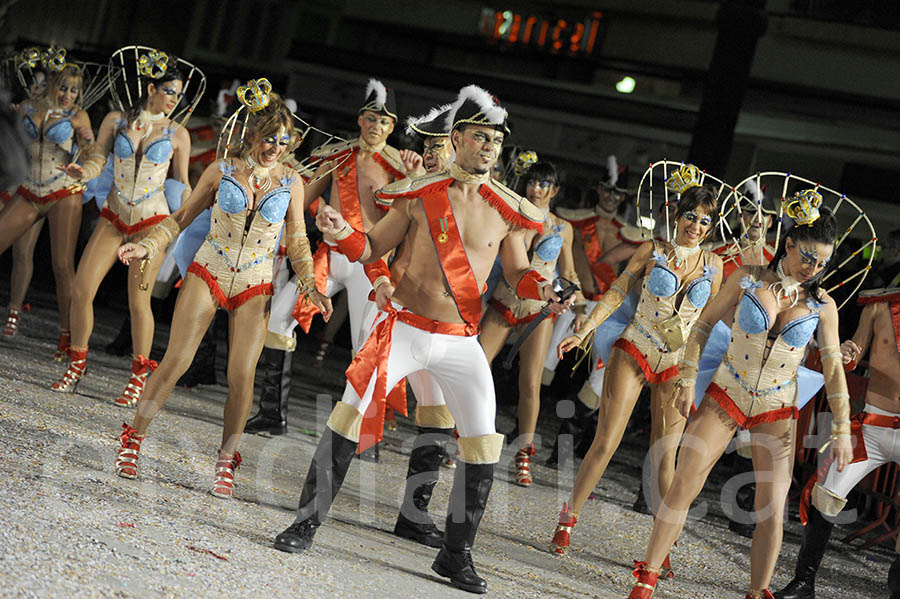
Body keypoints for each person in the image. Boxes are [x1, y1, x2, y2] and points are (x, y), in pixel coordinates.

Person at [272, 85, 571, 595]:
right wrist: (340, 229)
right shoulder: (418, 194)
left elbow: (519, 272)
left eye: (496, 139)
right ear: (457, 138)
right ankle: (305, 522)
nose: (490, 147)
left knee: (482, 441)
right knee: (347, 416)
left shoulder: (508, 209)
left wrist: (544, 287)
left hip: (460, 341)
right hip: (406, 329)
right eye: (481, 137)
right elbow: (371, 248)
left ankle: (456, 556)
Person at [627, 189, 853, 599]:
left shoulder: (824, 305)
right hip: (727, 392)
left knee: (772, 510)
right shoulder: (747, 277)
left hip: (777, 407)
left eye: (822, 262)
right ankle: (647, 579)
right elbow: (701, 326)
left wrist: (841, 428)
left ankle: (757, 591)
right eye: (806, 256)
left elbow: (834, 368)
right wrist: (686, 377)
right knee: (683, 483)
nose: (812, 268)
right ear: (788, 244)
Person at [113, 80, 331, 498]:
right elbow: (180, 218)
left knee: (241, 375)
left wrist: (311, 286)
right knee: (176, 359)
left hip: (254, 283)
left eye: (284, 141)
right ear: (252, 132)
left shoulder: (292, 181)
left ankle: (226, 460)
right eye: (270, 138)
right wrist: (148, 244)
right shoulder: (222, 170)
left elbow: (300, 240)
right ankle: (134, 439)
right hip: (209, 269)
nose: (276, 147)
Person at [550, 164, 724, 564]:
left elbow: (711, 324)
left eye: (704, 221)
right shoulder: (652, 251)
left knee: (667, 459)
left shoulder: (714, 269)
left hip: (676, 365)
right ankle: (568, 517)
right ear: (676, 216)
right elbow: (614, 295)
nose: (696, 226)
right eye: (690, 217)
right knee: (606, 442)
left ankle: (659, 551)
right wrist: (585, 330)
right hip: (635, 349)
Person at [245, 78, 416, 438]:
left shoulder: (402, 166)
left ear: (392, 126)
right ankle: (272, 414)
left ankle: (360, 434)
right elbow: (302, 195)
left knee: (363, 346)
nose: (376, 126)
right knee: (277, 320)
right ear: (359, 119)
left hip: (370, 266)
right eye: (371, 118)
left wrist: (418, 174)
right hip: (328, 256)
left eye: (384, 121)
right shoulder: (336, 154)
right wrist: (318, 207)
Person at [50, 48, 203, 406]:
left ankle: (138, 378)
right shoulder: (116, 120)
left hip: (152, 223)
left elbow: (182, 183)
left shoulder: (178, 133)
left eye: (178, 95)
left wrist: (189, 217)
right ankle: (76, 365)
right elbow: (98, 159)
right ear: (151, 87)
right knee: (81, 288)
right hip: (115, 216)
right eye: (169, 92)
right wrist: (82, 172)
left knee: (139, 302)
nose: (173, 100)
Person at [774, 285, 900, 599]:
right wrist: (845, 354)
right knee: (826, 493)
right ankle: (804, 583)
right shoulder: (879, 304)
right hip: (874, 426)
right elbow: (853, 353)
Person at [478, 160, 584, 486]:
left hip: (540, 309)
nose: (537, 189)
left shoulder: (563, 228)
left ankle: (523, 453)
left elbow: (569, 274)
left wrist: (576, 305)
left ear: (554, 190)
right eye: (533, 182)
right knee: (476, 370)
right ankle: (462, 436)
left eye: (544, 184)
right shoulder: (510, 215)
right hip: (504, 300)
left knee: (531, 383)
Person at [543, 156, 643, 468]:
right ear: (598, 191)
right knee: (544, 354)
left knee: (603, 378)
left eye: (618, 193)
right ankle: (523, 424)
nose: (611, 197)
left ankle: (571, 447)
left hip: (612, 310)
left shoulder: (638, 237)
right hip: (573, 297)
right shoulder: (574, 220)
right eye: (607, 190)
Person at [0, 46, 95, 358]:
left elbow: (93, 152)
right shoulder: (28, 106)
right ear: (53, 84)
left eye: (74, 90)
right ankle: (14, 311)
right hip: (30, 188)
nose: (68, 94)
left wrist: (86, 157)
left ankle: (67, 337)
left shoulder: (78, 116)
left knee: (62, 266)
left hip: (64, 189)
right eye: (64, 87)